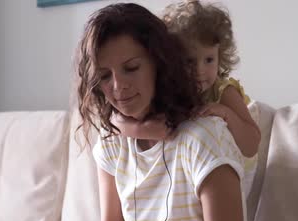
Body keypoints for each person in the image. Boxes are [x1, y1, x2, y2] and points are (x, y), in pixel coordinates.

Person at [25, 3, 265, 221]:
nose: (118, 87)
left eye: (131, 68)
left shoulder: (205, 135)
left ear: (159, 64)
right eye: (105, 76)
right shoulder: (110, 146)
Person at [111, 0, 261, 192]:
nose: (200, 71)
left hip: (236, 172)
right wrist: (141, 129)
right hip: (192, 174)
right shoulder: (168, 90)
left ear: (220, 55)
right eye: (189, 61)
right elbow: (115, 120)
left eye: (209, 59)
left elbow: (252, 144)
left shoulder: (223, 91)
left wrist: (225, 113)